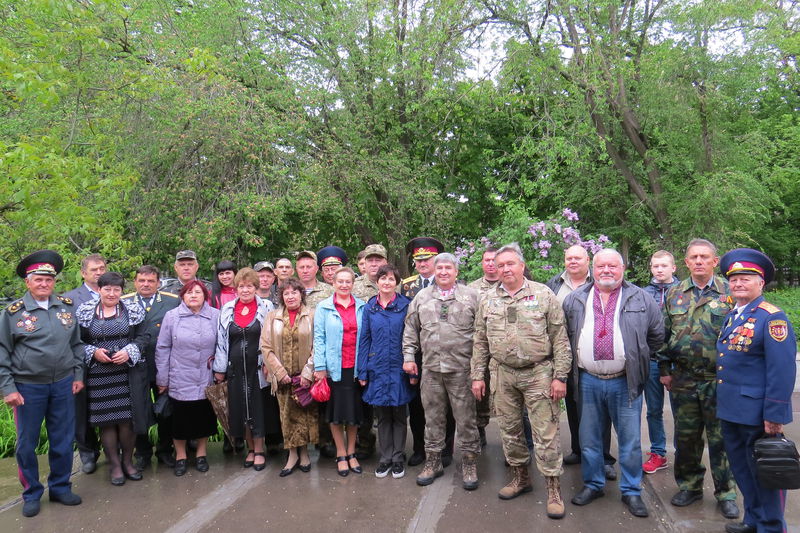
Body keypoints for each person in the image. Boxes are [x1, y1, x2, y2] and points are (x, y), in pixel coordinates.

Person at [471, 243, 571, 518]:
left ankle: (553, 488)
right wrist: (478, 375)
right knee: (509, 429)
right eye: (500, 265)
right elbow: (479, 341)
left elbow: (560, 339)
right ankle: (521, 478)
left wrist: (560, 376)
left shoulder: (543, 294)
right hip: (502, 373)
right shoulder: (488, 299)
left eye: (510, 264)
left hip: (538, 373)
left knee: (545, 433)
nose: (505, 269)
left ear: (522, 266)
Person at [563, 249, 664, 518]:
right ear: (593, 269)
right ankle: (594, 484)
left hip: (625, 382)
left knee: (630, 441)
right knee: (589, 439)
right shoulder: (575, 299)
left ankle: (631, 491)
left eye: (613, 266)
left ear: (623, 268)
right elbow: (564, 337)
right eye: (601, 266)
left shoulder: (641, 298)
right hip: (587, 381)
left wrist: (636, 357)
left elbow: (656, 335)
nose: (606, 270)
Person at [716, 249, 796, 533]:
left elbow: (782, 370)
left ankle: (772, 527)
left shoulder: (772, 319)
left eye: (745, 278)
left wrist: (774, 414)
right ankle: (753, 521)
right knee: (743, 472)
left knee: (766, 475)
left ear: (760, 283)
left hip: (757, 414)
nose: (738, 283)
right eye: (734, 279)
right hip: (732, 411)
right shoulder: (734, 315)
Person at [658, 239, 739, 519]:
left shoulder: (731, 292)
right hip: (683, 379)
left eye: (705, 257)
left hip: (720, 380)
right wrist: (664, 370)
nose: (699, 261)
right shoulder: (674, 294)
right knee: (686, 437)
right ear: (686, 262)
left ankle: (726, 492)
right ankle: (690, 486)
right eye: (694, 257)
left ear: (715, 262)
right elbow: (663, 334)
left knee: (722, 439)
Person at [0, 251, 84, 517]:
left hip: (62, 384)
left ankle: (60, 487)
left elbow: (77, 345)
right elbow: (2, 351)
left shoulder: (66, 307)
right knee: (27, 443)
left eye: (49, 279)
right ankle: (32, 493)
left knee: (62, 439)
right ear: (28, 282)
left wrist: (78, 376)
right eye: (38, 279)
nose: (44, 284)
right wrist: (8, 388)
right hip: (27, 388)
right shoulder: (13, 313)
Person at [403, 253, 481, 491]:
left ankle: (469, 463)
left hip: (461, 370)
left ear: (456, 271)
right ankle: (433, 461)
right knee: (433, 419)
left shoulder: (471, 296)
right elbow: (410, 329)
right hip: (432, 370)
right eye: (440, 268)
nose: (444, 272)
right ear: (435, 272)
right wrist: (408, 357)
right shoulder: (422, 297)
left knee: (466, 419)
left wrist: (478, 370)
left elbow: (481, 335)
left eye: (449, 268)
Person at [545, 245, 615, 477]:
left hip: (592, 355)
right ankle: (578, 449)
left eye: (578, 258)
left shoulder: (598, 282)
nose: (573, 261)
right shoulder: (553, 284)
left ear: (588, 261)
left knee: (598, 410)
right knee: (573, 406)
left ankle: (604, 458)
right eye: (569, 258)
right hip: (564, 355)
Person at [76, 272, 150, 486]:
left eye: (116, 289)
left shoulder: (133, 310)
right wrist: (92, 351)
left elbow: (144, 337)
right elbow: (76, 342)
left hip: (126, 372)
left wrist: (130, 350)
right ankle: (115, 466)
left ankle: (128, 462)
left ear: (122, 291)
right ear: (99, 289)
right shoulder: (85, 311)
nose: (112, 293)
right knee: (106, 422)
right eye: (107, 289)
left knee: (127, 420)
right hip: (99, 375)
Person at [213, 268, 277, 471]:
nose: (245, 290)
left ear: (256, 288)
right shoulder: (228, 309)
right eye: (241, 286)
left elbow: (272, 338)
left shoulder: (266, 306)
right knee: (242, 409)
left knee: (258, 408)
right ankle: (250, 449)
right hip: (235, 369)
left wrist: (269, 364)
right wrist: (220, 368)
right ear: (236, 288)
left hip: (258, 368)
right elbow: (222, 341)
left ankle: (260, 450)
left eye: (250, 286)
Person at [155, 280, 220, 476]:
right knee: (180, 420)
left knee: (203, 418)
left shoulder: (215, 316)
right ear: (182, 296)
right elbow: (163, 348)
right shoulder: (172, 317)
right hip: (179, 375)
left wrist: (219, 370)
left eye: (198, 292)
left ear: (205, 296)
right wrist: (162, 379)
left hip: (205, 375)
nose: (193, 296)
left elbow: (221, 345)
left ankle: (201, 454)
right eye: (189, 292)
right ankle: (181, 455)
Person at [401, 237, 455, 467]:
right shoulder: (406, 286)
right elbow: (406, 322)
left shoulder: (449, 282)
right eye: (418, 259)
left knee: (446, 403)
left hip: (446, 351)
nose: (423, 263)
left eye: (428, 259)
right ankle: (420, 449)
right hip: (419, 352)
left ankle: (445, 449)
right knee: (417, 404)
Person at [357, 265, 415, 479]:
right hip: (378, 368)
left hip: (399, 368)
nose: (387, 282)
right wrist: (362, 371)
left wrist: (412, 369)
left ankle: (398, 458)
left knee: (399, 415)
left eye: (391, 278)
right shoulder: (370, 307)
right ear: (378, 282)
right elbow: (364, 340)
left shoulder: (406, 306)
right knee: (382, 416)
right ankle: (385, 458)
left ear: (397, 282)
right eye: (383, 278)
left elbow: (411, 338)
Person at [261, 278, 318, 476]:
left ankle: (304, 454)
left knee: (304, 416)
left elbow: (318, 345)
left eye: (294, 292)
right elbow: (266, 346)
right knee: (286, 417)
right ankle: (292, 454)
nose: (291, 296)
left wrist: (308, 372)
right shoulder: (272, 317)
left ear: (301, 294)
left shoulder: (311, 315)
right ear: (281, 296)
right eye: (286, 293)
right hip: (283, 378)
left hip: (303, 377)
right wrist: (279, 372)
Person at [313, 267, 367, 476]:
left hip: (354, 368)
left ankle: (352, 453)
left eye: (348, 281)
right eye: (340, 281)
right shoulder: (324, 308)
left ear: (353, 284)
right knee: (336, 415)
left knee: (353, 415)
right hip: (334, 368)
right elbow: (319, 338)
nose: (344, 285)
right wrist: (320, 367)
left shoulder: (361, 307)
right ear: (333, 283)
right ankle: (341, 453)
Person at [126, 266, 181, 470]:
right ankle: (142, 453)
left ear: (158, 282)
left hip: (163, 366)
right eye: (142, 280)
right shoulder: (124, 302)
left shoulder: (171, 301)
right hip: (135, 366)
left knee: (166, 410)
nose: (146, 284)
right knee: (138, 410)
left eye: (150, 281)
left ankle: (165, 450)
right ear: (135, 281)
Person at [64, 253, 107, 474]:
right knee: (82, 410)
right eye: (94, 269)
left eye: (102, 268)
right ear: (83, 273)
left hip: (110, 362)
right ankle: (88, 452)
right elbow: (68, 335)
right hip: (82, 362)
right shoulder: (69, 299)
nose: (99, 272)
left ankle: (112, 449)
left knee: (111, 407)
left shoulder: (115, 293)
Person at [640, 250, 679, 475]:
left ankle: (683, 452)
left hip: (678, 362)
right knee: (653, 410)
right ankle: (658, 453)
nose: (659, 270)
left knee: (680, 411)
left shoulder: (684, 291)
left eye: (664, 266)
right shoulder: (643, 293)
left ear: (673, 268)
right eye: (655, 266)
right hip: (653, 361)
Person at [468, 246, 501, 448]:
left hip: (503, 351)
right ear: (482, 263)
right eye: (486, 260)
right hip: (479, 350)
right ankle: (479, 429)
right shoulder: (471, 290)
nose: (490, 263)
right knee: (479, 394)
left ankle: (517, 439)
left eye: (493, 260)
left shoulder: (508, 284)